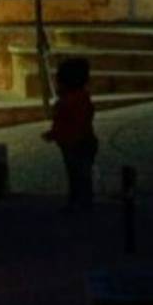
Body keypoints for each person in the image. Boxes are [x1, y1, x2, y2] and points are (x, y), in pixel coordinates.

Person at [42, 57, 98, 212]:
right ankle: (80, 200)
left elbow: (72, 124)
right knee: (78, 174)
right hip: (77, 142)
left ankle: (81, 201)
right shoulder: (78, 98)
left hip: (76, 144)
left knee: (79, 174)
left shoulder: (71, 101)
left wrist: (55, 134)